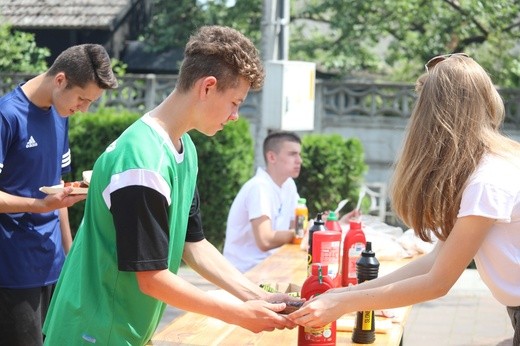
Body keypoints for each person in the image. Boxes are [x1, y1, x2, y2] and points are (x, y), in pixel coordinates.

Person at [42, 26, 299, 346]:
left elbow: (195, 245)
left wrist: (255, 296)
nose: (235, 115)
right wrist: (239, 313)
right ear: (207, 87)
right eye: (235, 102)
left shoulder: (183, 149)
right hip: (93, 332)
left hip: (120, 329)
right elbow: (152, 279)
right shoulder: (142, 163)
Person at [288, 54, 520, 343]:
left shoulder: (488, 181)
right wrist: (344, 294)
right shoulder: (494, 164)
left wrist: (344, 304)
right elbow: (436, 260)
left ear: (436, 117)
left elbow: (437, 283)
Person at [0, 44, 118, 346]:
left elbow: (58, 188)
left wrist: (70, 260)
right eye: (82, 99)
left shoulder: (59, 114)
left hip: (53, 266)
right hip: (13, 272)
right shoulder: (7, 116)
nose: (84, 108)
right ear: (61, 79)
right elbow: (44, 202)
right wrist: (38, 205)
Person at [223, 131, 303, 273]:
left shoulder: (289, 185)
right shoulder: (259, 187)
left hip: (271, 266)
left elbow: (296, 224)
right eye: (292, 154)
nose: (299, 160)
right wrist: (300, 232)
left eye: (299, 154)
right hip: (245, 273)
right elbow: (265, 240)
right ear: (271, 157)